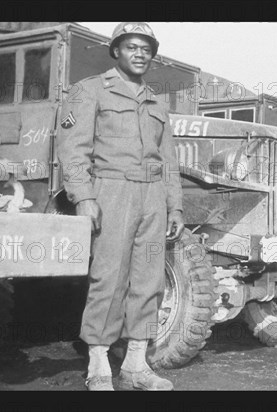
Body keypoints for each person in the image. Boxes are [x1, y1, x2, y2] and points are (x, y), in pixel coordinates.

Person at [57, 22, 184, 390]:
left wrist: (174, 207)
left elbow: (169, 160)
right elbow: (73, 149)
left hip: (153, 196)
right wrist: (84, 197)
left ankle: (135, 364)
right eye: (131, 47)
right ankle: (98, 363)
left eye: (146, 48)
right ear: (116, 51)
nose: (140, 54)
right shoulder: (89, 90)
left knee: (149, 279)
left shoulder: (157, 103)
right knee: (109, 277)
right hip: (111, 190)